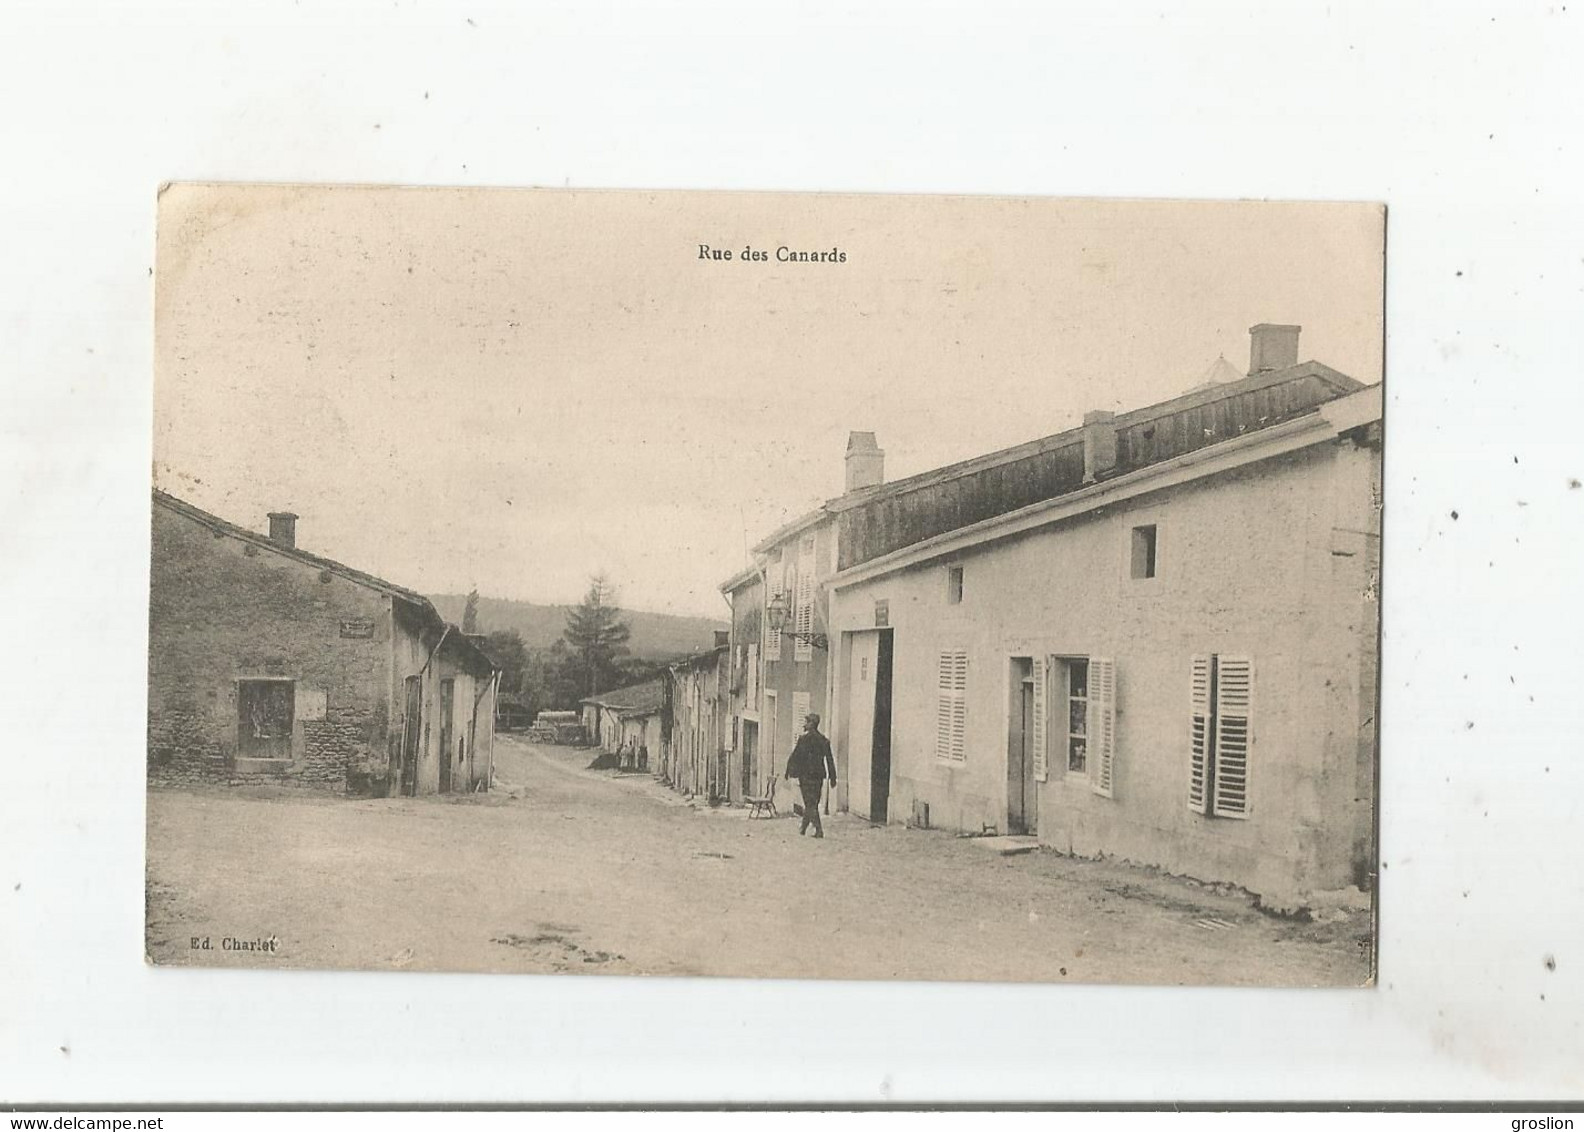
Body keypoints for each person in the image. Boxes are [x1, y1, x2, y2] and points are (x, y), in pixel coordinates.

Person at [785, 712, 837, 838]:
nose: (805, 724)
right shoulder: (824, 741)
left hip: (805, 776)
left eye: (807, 722)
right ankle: (803, 828)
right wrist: (833, 777)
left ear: (812, 724)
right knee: (812, 802)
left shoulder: (803, 740)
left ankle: (818, 830)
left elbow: (794, 756)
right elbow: (830, 760)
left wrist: (788, 770)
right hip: (818, 777)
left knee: (810, 803)